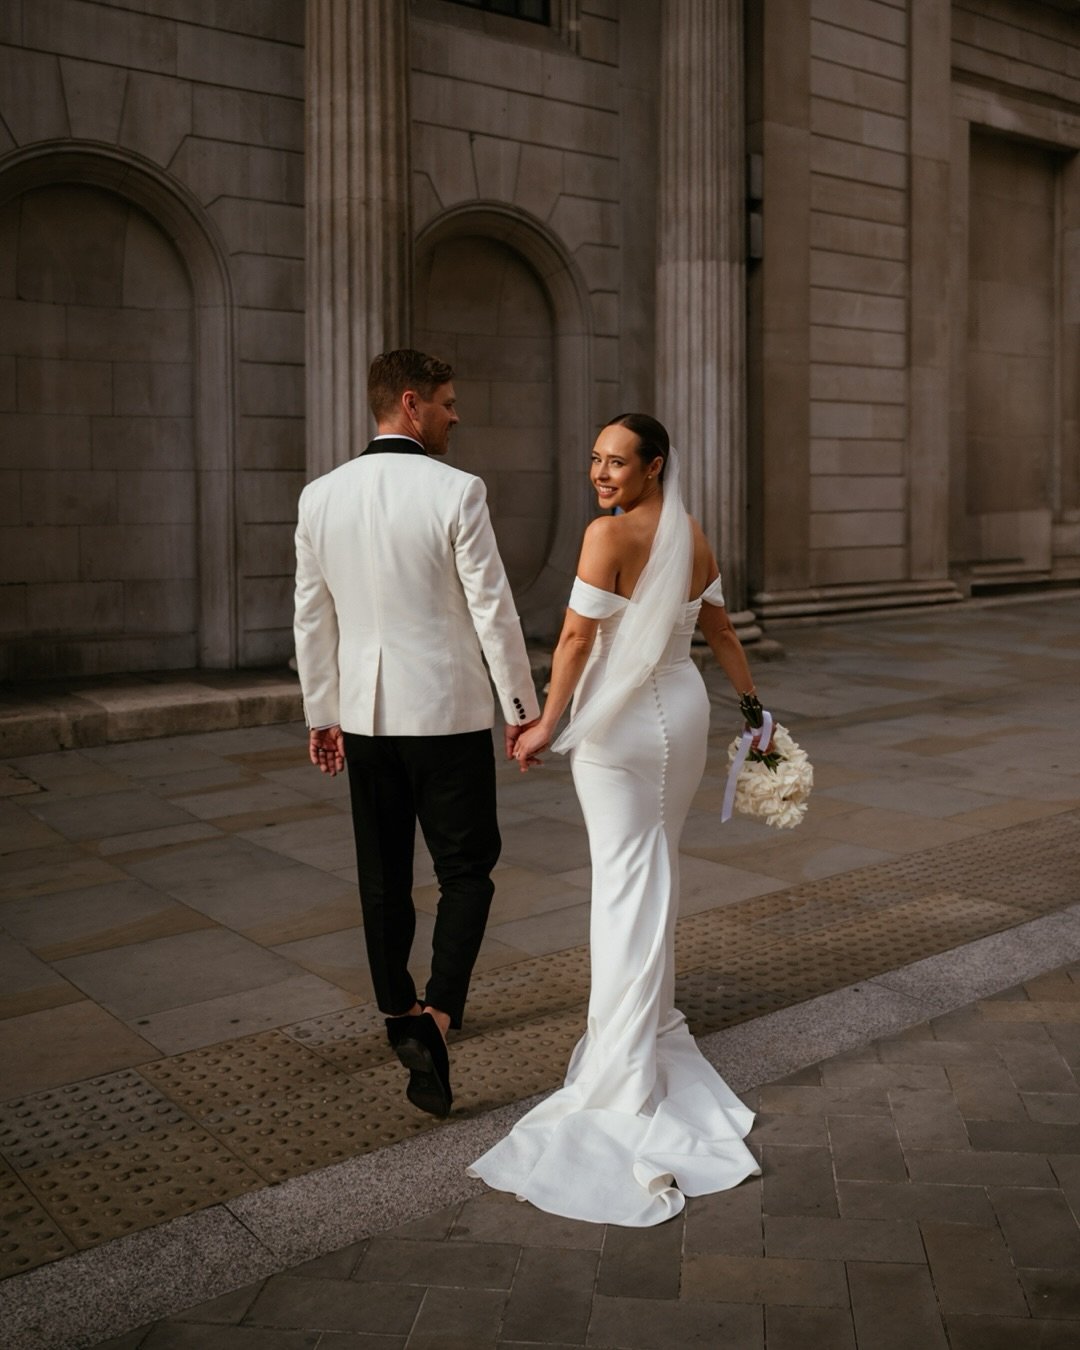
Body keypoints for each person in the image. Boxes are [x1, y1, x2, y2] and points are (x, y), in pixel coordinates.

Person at [468, 412, 768, 1226]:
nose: (600, 475)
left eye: (616, 462)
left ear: (655, 464)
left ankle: (622, 1064)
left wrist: (546, 722)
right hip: (683, 709)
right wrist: (752, 709)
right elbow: (717, 628)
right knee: (655, 872)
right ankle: (641, 1028)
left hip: (622, 726)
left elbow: (573, 636)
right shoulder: (691, 532)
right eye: (594, 460)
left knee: (622, 883)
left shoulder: (608, 537)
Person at [293, 349, 539, 1119]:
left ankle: (398, 1011)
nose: (455, 415)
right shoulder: (457, 491)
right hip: (448, 711)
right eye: (448, 402)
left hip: (365, 716)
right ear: (410, 403)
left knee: (381, 871)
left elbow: (311, 614)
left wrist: (321, 712)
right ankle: (436, 1013)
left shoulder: (319, 497)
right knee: (467, 867)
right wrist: (522, 709)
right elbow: (492, 608)